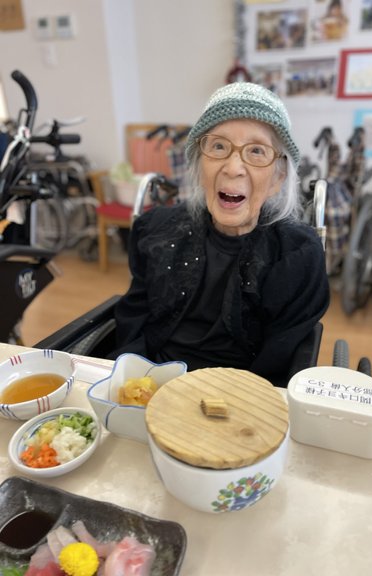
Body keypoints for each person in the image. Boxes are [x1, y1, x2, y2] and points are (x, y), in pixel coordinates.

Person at [111, 82, 330, 386]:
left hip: (241, 395)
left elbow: (278, 364)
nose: (233, 167)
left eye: (256, 151)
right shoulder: (157, 230)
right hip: (152, 383)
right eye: (218, 146)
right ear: (199, 164)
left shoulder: (297, 256)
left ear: (278, 177)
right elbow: (134, 319)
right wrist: (131, 383)